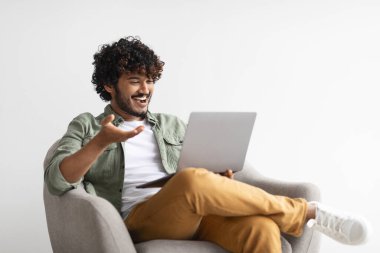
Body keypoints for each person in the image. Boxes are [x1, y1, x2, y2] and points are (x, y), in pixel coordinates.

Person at [44, 36, 370, 253]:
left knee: (261, 230)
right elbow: (58, 179)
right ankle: (305, 213)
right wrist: (101, 141)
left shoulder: (171, 124)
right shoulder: (87, 125)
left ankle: (290, 215)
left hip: (197, 212)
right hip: (140, 221)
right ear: (109, 86)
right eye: (134, 81)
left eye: (150, 80)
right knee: (191, 181)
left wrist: (219, 179)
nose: (145, 89)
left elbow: (198, 180)